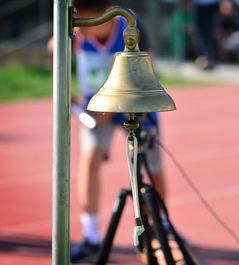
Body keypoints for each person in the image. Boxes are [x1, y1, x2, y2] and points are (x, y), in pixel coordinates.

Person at [49, 0, 167, 263]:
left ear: (104, 14)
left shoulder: (130, 27)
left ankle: (162, 223)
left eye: (89, 24)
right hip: (95, 108)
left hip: (133, 103)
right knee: (89, 160)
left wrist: (114, 110)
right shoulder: (75, 30)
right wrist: (68, 94)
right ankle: (91, 236)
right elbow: (53, 48)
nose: (83, 31)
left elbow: (148, 68)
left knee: (150, 167)